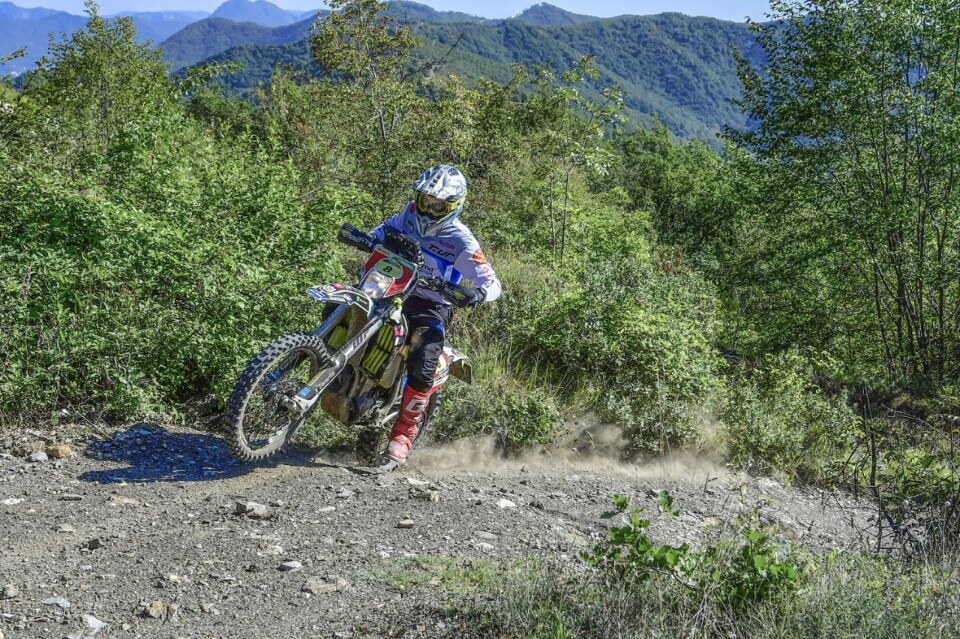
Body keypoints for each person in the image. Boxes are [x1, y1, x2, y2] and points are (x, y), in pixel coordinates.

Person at [371, 164, 501, 464]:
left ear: (453, 206)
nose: (428, 210)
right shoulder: (407, 214)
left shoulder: (462, 240)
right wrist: (364, 238)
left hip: (430, 304)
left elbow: (493, 283)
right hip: (389, 286)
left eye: (437, 206)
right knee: (341, 306)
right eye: (425, 201)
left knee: (424, 358)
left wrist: (477, 293)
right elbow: (381, 232)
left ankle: (403, 434)